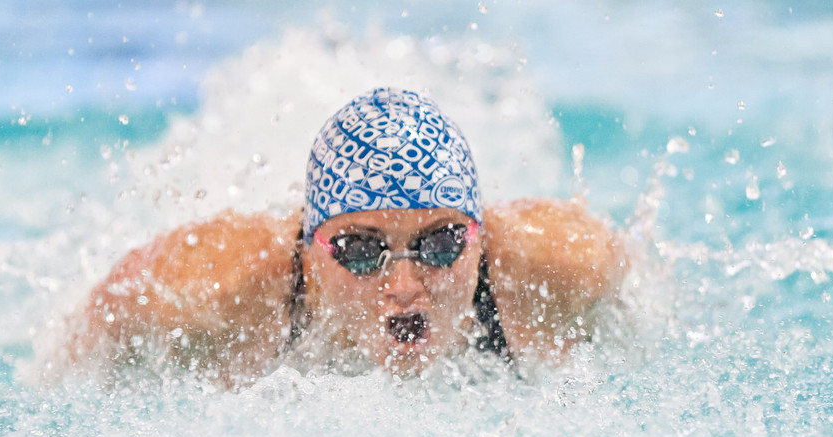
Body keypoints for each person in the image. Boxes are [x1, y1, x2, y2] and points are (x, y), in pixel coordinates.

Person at [65, 87, 631, 387]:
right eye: (362, 250)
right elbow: (100, 319)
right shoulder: (218, 289)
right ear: (312, 246)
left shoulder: (563, 263)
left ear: (477, 235)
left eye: (440, 244)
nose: (405, 286)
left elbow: (645, 310)